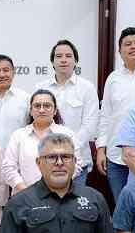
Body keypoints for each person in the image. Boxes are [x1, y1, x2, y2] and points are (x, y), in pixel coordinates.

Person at [96, 27, 135, 202]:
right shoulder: (113, 78)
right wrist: (100, 149)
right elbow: (105, 116)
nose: (133, 47)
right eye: (128, 44)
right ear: (119, 51)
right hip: (116, 156)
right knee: (122, 206)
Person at [35, 40, 99, 185]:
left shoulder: (87, 88)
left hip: (77, 161)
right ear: (52, 61)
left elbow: (90, 125)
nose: (63, 60)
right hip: (47, 160)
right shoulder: (40, 87)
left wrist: (67, 148)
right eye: (59, 56)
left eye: (68, 56)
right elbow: (36, 122)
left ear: (75, 61)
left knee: (72, 206)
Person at [1, 89, 84, 195]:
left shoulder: (67, 134)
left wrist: (58, 186)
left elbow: (77, 164)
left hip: (59, 196)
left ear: (54, 111)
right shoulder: (18, 135)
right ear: (30, 111)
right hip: (24, 197)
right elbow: (8, 167)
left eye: (47, 106)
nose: (41, 110)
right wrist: (27, 192)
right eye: (37, 106)